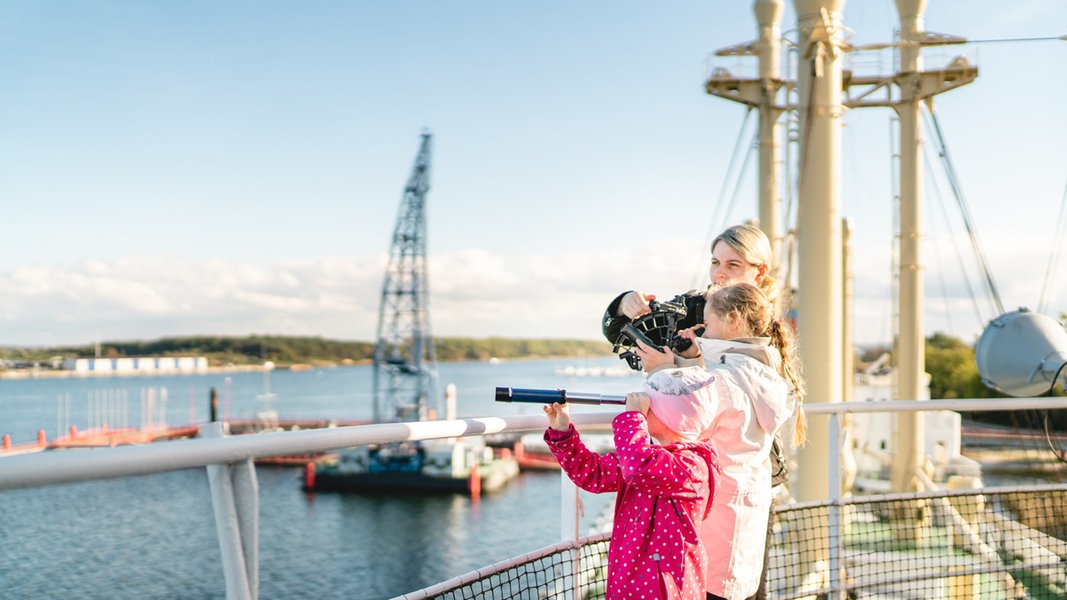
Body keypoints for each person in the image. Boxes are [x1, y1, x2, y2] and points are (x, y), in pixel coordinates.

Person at [636, 282, 804, 600]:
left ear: (733, 320)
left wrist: (659, 372)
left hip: (715, 545)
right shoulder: (763, 377)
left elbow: (680, 412)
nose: (704, 334)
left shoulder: (727, 381)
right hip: (742, 540)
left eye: (709, 325)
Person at [543, 383, 720, 599]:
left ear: (672, 416)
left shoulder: (692, 466)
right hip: (630, 580)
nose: (644, 412)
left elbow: (639, 466)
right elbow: (593, 473)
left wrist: (633, 417)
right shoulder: (647, 459)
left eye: (650, 406)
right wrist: (563, 433)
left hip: (667, 587)